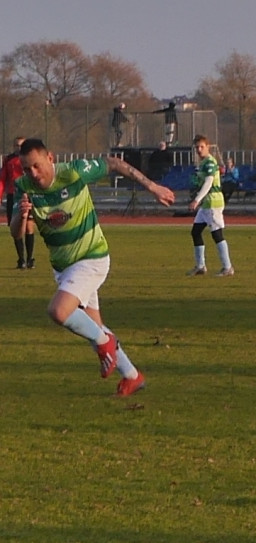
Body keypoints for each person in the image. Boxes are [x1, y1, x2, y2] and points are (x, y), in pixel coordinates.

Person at [14, 138, 175, 397]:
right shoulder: (23, 187)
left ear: (50, 158)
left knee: (59, 311)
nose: (32, 173)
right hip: (64, 267)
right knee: (92, 326)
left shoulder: (74, 172)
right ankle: (133, 376)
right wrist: (21, 216)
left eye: (36, 166)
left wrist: (152, 186)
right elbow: (15, 233)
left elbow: (113, 163)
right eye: (26, 169)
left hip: (92, 257)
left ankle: (105, 343)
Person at [186, 134, 233, 277]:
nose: (199, 150)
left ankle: (227, 267)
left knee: (217, 234)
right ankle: (200, 266)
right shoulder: (203, 163)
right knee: (196, 232)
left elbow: (209, 182)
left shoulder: (210, 162)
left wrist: (197, 199)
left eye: (202, 146)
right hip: (206, 203)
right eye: (197, 147)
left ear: (208, 147)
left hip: (213, 202)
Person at [0, 136, 36, 269]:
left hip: (28, 195)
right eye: (16, 145)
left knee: (29, 226)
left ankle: (30, 259)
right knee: (16, 226)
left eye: (21, 145)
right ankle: (21, 259)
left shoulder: (30, 158)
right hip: (13, 196)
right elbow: (2, 178)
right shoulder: (9, 159)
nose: (19, 148)